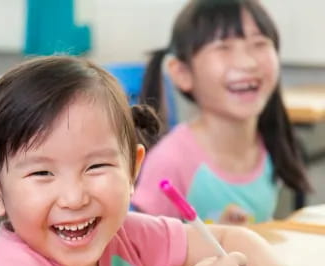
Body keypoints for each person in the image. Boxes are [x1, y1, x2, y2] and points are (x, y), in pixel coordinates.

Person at [0, 56, 325, 266]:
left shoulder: (129, 236)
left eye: (96, 166)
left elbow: (228, 239)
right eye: (42, 173)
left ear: (133, 168)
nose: (74, 197)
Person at [132, 0, 310, 225]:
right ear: (182, 72)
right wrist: (220, 240)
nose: (247, 62)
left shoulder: (272, 142)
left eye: (259, 44)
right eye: (223, 47)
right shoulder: (170, 162)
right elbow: (141, 254)